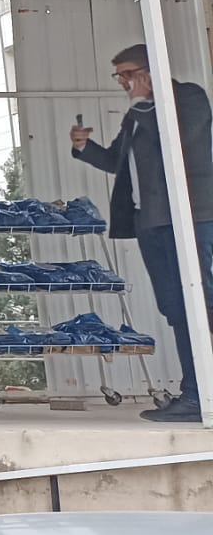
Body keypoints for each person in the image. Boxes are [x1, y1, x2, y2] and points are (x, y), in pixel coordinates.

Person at [70, 44, 213, 422]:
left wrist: (143, 103)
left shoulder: (188, 97)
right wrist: (84, 147)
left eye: (127, 75)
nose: (122, 83)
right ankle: (195, 394)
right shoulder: (139, 113)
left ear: (149, 72)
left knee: (201, 303)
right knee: (176, 308)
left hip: (191, 218)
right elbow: (116, 160)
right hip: (150, 222)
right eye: (119, 76)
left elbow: (178, 141)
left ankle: (201, 394)